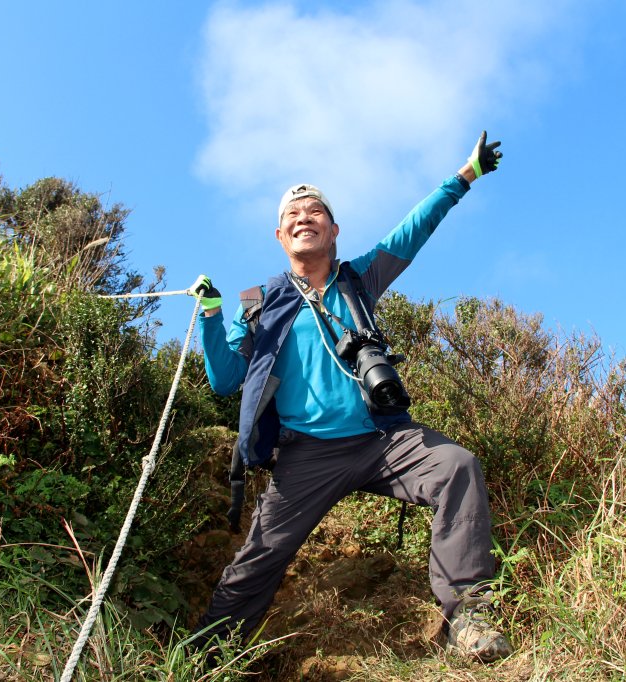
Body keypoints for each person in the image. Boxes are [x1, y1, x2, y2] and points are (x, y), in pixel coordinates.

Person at [187, 131, 512, 663]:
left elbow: (411, 232)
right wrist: (210, 316)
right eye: (293, 214)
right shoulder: (256, 303)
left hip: (382, 439)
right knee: (260, 555)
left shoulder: (358, 278)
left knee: (456, 467)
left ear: (333, 229)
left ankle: (468, 617)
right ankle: (206, 654)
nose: (303, 218)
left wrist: (463, 178)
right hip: (306, 453)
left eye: (314, 211)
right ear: (279, 235)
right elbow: (224, 381)